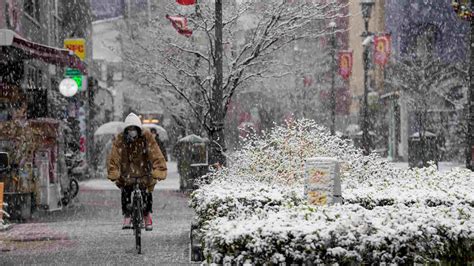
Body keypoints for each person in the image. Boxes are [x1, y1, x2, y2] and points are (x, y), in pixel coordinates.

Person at [107, 113, 167, 231]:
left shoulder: (147, 137)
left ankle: (147, 215)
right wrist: (113, 170)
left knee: (146, 192)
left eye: (134, 129)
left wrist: (159, 168)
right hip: (126, 173)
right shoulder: (120, 139)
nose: (132, 131)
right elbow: (114, 156)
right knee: (125, 191)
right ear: (126, 130)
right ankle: (127, 215)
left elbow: (155, 153)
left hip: (144, 172)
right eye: (129, 129)